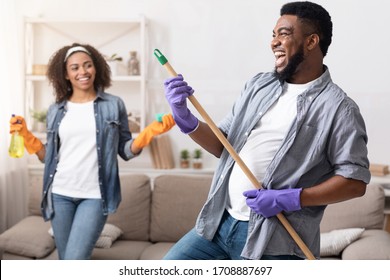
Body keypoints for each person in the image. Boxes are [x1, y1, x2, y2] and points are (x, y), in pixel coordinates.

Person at [162, 1, 370, 260]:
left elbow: (355, 182)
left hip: (273, 239)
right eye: (273, 35)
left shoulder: (339, 108)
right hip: (218, 223)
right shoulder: (258, 85)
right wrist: (184, 118)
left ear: (311, 41)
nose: (274, 42)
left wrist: (291, 198)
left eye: (283, 34)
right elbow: (222, 145)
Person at [9, 43, 175, 260]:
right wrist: (27, 137)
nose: (82, 72)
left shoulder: (113, 104)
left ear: (96, 68)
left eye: (87, 65)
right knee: (66, 259)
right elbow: (48, 157)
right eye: (75, 68)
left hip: (95, 196)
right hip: (59, 193)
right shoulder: (56, 110)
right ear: (66, 74)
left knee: (75, 260)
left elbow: (125, 150)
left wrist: (147, 134)